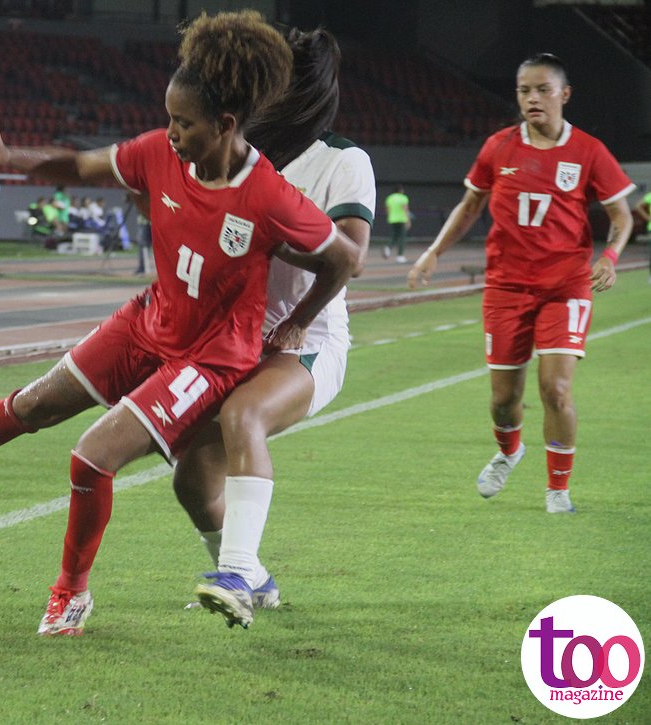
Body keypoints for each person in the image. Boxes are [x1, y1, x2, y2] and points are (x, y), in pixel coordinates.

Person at [0, 10, 363, 637]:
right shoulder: (158, 152)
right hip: (151, 320)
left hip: (208, 358)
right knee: (33, 403)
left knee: (92, 458)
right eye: (169, 117)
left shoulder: (269, 195)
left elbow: (345, 258)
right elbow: (80, 165)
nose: (170, 133)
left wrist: (300, 322)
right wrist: (6, 155)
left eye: (184, 123)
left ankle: (71, 594)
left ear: (226, 124)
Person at [172, 26, 374, 628]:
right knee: (191, 478)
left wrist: (298, 317)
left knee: (245, 416)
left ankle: (234, 573)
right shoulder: (234, 150)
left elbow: (351, 256)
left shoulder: (342, 160)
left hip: (307, 340)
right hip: (233, 338)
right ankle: (255, 578)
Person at [407, 53, 634, 514]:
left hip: (565, 287)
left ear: (564, 94)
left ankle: (558, 490)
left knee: (556, 389)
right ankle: (510, 451)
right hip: (507, 288)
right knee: (503, 400)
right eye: (524, 90)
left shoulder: (589, 150)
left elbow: (621, 215)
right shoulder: (498, 147)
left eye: (543, 90)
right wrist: (434, 252)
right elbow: (470, 205)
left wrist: (609, 257)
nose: (533, 98)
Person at [383, 184, 410, 262]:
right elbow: (405, 209)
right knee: (402, 238)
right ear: (401, 190)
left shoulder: (389, 198)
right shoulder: (403, 198)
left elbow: (387, 210)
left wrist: (390, 217)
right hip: (402, 219)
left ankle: (388, 247)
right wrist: (408, 220)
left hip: (392, 219)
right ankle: (400, 255)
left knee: (394, 236)